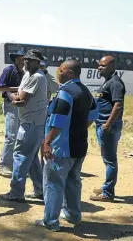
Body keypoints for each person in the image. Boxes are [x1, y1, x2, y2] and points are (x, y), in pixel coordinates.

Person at [35, 60, 98, 232]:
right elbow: (93, 116)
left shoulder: (65, 93)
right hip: (79, 146)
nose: (58, 73)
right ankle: (73, 215)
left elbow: (58, 122)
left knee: (53, 183)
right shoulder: (86, 92)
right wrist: (78, 128)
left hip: (61, 148)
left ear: (69, 73)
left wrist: (47, 143)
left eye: (61, 70)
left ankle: (50, 221)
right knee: (73, 182)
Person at [0, 49, 47, 202]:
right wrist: (14, 96)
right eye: (25, 59)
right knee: (31, 159)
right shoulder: (28, 74)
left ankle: (16, 192)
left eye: (30, 60)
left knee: (20, 156)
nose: (26, 62)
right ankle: (40, 190)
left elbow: (21, 101)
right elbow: (19, 95)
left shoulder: (37, 77)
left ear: (38, 62)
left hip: (30, 124)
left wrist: (8, 94)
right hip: (30, 122)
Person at [90, 55, 125, 202]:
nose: (99, 68)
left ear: (112, 67)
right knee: (107, 159)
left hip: (108, 127)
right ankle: (107, 187)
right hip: (103, 125)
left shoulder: (116, 83)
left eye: (103, 66)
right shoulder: (108, 82)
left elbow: (118, 105)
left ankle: (108, 192)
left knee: (110, 159)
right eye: (99, 65)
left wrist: (107, 124)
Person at [0, 49, 25, 177]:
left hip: (18, 105)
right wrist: (16, 90)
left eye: (24, 59)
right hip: (10, 104)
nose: (22, 61)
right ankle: (4, 165)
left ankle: (12, 164)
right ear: (15, 59)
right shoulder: (9, 70)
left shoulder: (22, 72)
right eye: (20, 59)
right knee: (11, 136)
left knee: (17, 136)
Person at [39, 56, 59, 168]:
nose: (40, 68)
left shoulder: (50, 79)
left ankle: (43, 163)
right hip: (31, 112)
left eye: (42, 66)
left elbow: (56, 89)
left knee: (43, 139)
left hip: (43, 112)